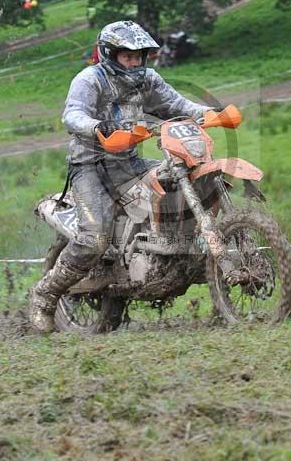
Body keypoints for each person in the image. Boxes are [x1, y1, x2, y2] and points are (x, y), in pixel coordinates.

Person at [28, 19, 214, 332]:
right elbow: (72, 115)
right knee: (95, 238)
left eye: (139, 56)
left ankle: (172, 252)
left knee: (178, 176)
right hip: (91, 167)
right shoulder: (90, 79)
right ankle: (44, 295)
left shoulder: (147, 80)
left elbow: (175, 104)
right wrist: (96, 127)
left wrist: (209, 113)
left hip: (129, 163)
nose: (134, 62)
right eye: (127, 56)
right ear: (109, 54)